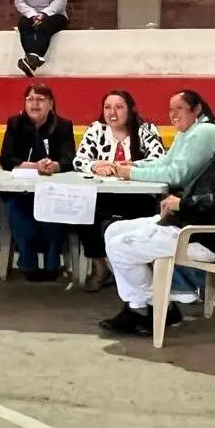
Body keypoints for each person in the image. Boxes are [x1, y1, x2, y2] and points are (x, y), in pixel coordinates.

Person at [99, 86, 215, 336]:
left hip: (205, 236)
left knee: (121, 246)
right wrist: (178, 203)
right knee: (114, 230)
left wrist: (183, 204)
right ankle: (151, 307)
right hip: (190, 223)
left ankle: (145, 308)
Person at [114, 90, 215, 303]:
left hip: (198, 220)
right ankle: (150, 298)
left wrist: (132, 173)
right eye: (170, 109)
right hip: (188, 212)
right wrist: (134, 165)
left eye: (179, 109)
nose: (173, 114)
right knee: (113, 231)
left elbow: (176, 175)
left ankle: (153, 300)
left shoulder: (204, 132)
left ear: (197, 109)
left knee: (120, 243)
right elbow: (166, 162)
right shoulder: (189, 130)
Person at [71, 90, 165, 292]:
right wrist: (96, 166)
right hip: (103, 195)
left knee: (135, 218)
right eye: (107, 107)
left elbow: (159, 158)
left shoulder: (145, 129)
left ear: (131, 109)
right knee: (85, 213)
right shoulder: (97, 129)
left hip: (139, 197)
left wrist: (129, 167)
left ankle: (139, 272)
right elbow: (79, 160)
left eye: (119, 107)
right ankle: (100, 269)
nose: (112, 113)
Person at [0, 82, 75, 281]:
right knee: (20, 215)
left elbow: (70, 160)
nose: (34, 104)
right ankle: (27, 261)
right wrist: (32, 166)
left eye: (40, 100)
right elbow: (6, 159)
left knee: (55, 216)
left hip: (53, 191)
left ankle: (52, 261)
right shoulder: (15, 123)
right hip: (20, 191)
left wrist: (55, 166)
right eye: (30, 99)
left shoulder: (64, 126)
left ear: (51, 104)